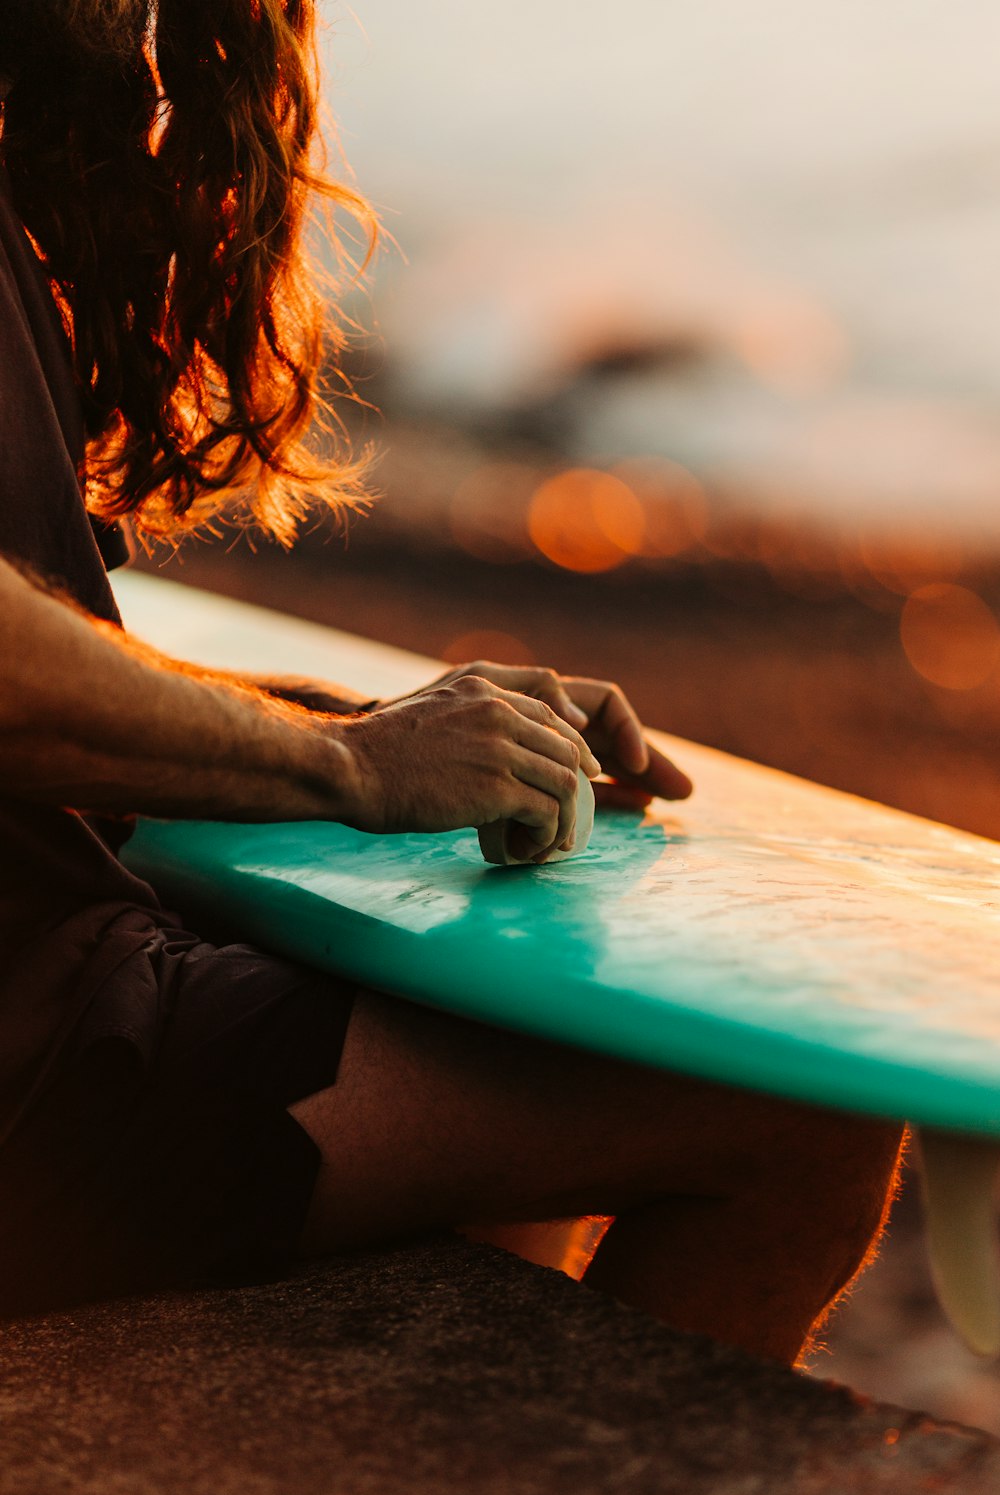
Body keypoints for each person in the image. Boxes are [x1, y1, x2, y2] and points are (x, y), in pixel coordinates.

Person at [0, 0, 904, 1365]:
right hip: (42, 1089)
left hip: (60, 1019)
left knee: (486, 1045)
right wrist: (344, 769)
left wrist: (370, 726)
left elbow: (46, 645)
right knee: (805, 1112)